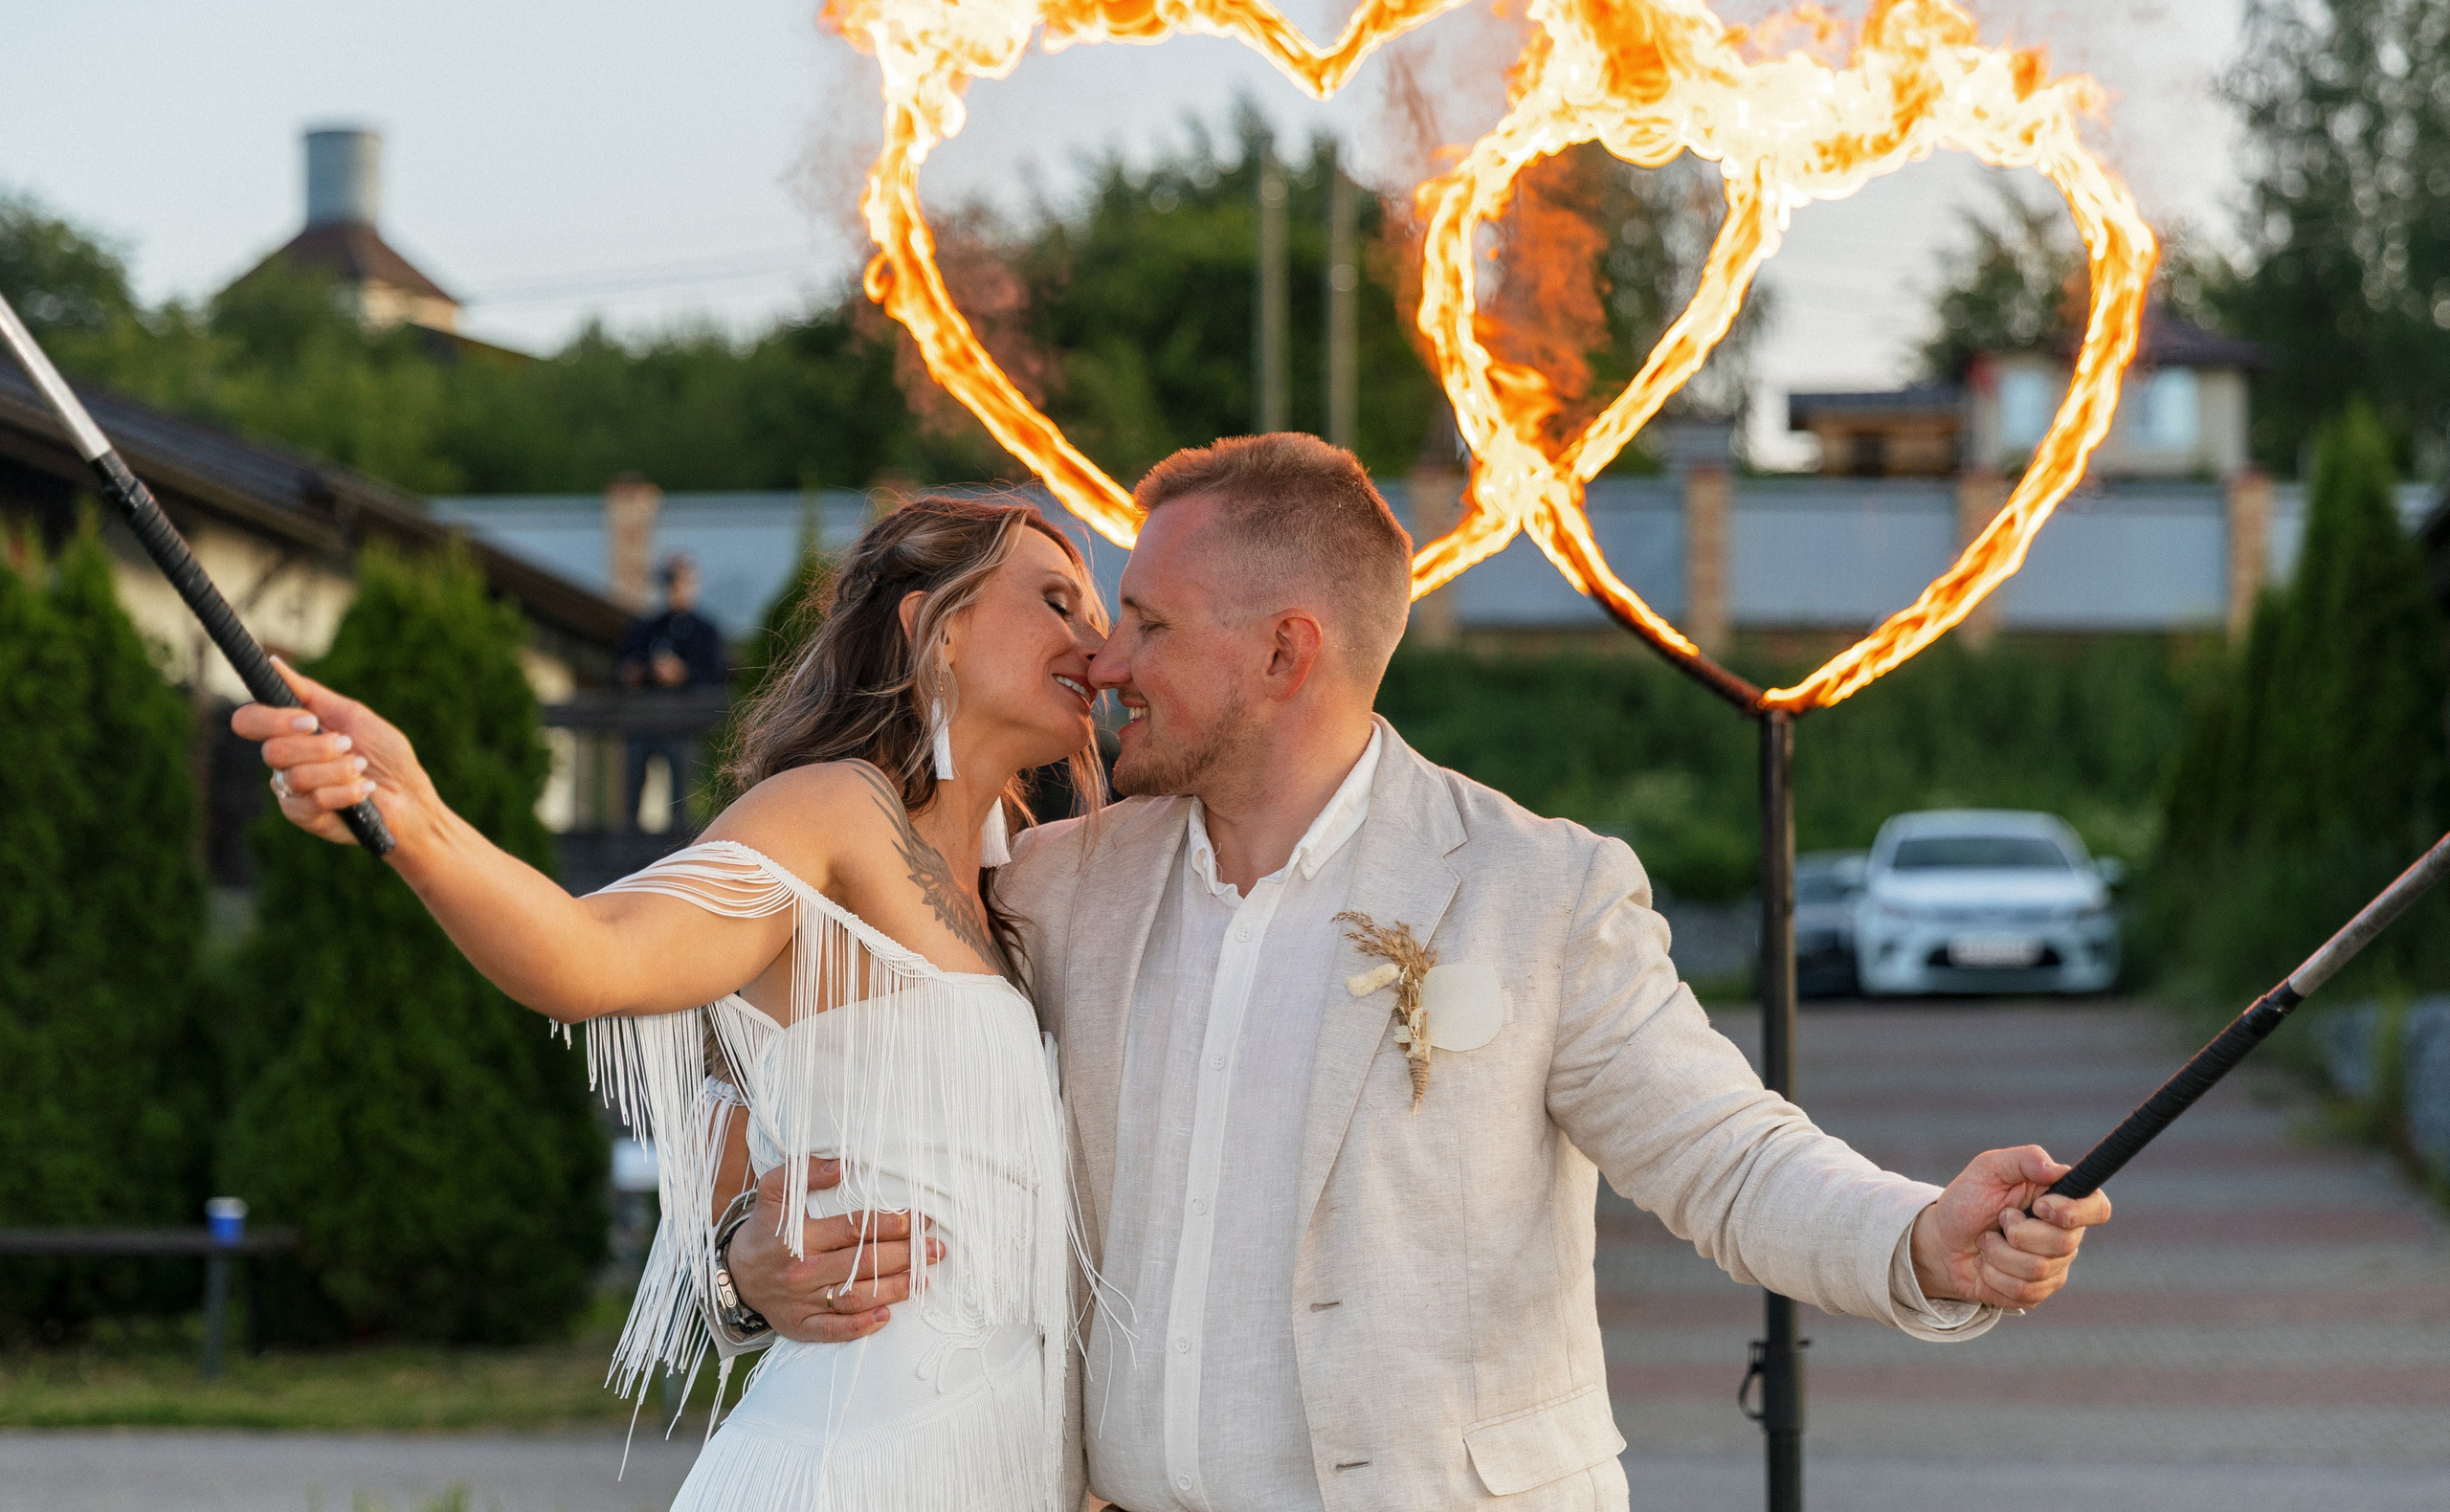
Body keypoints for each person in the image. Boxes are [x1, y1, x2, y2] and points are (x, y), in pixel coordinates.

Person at [726, 434, 2114, 1509]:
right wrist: (745, 1250)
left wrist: (1921, 1237)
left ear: (1286, 649)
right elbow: (789, 1047)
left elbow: (1731, 1157)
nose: (1105, 659)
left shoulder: (1538, 888)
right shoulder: (1058, 884)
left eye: (1148, 621)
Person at [234, 499, 1108, 1510]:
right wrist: (416, 820)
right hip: (854, 1472)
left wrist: (738, 1266)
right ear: (935, 626)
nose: (1097, 641)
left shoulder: (1026, 885)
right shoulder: (835, 808)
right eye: (1057, 604)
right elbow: (590, 952)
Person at [616, 553, 728, 833]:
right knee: (633, 792)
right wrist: (643, 673)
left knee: (682, 797)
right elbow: (621, 669)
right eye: (669, 582)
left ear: (693, 584)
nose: (675, 588)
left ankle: (681, 841)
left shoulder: (706, 631)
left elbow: (716, 678)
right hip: (646, 722)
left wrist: (683, 674)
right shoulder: (646, 628)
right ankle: (631, 843)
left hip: (683, 728)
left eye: (680, 581)